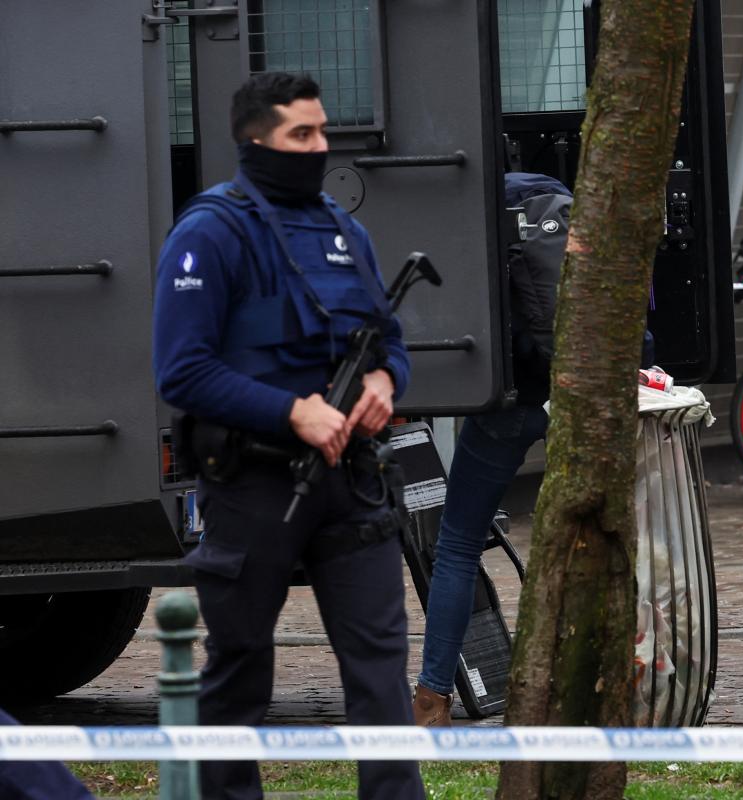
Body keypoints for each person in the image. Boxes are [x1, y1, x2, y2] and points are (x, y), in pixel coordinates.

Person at [152, 72, 424, 799]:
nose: (319, 146)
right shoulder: (210, 232)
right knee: (240, 669)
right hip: (255, 484)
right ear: (255, 141)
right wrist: (291, 412)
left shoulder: (343, 229)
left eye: (321, 130)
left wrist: (385, 381)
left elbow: (389, 341)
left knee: (381, 672)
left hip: (351, 482)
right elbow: (181, 371)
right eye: (301, 134)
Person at [411, 171, 568, 725]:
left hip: (507, 403)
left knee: (457, 544)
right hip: (571, 394)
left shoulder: (469, 211)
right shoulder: (561, 200)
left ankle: (432, 699)